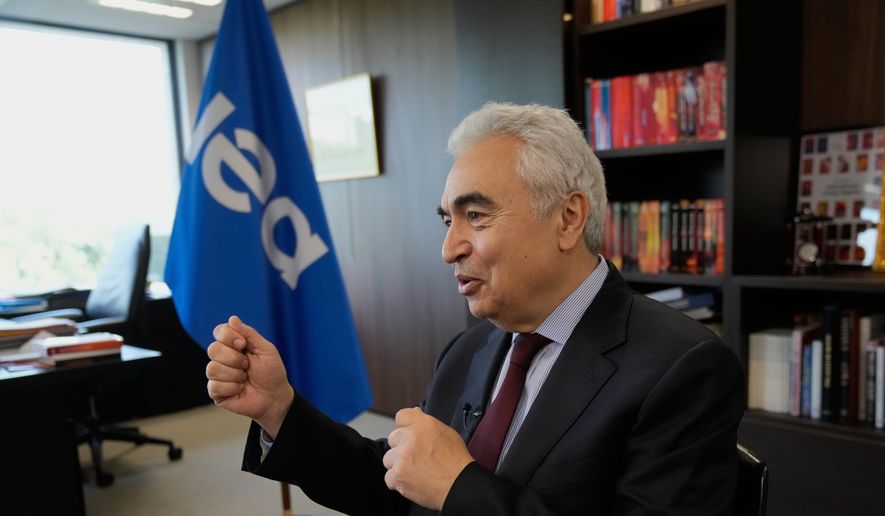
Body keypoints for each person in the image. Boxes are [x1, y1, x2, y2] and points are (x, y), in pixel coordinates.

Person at [206, 102, 744, 515]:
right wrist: (279, 409)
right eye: (448, 221)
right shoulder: (469, 349)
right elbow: (400, 483)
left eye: (477, 216)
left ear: (568, 219)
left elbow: (445, 485)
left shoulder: (683, 367)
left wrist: (460, 488)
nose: (449, 249)